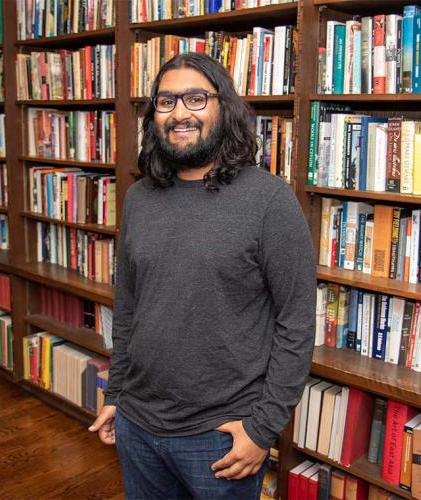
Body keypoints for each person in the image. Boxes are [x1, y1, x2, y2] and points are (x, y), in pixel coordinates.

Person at [88, 52, 316, 499]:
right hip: (136, 422)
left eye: (195, 98)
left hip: (220, 435)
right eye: (166, 101)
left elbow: (297, 321)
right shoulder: (138, 198)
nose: (180, 113)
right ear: (154, 115)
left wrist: (263, 428)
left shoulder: (269, 201)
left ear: (222, 107)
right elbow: (129, 306)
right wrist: (115, 396)